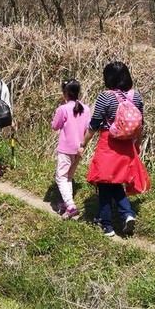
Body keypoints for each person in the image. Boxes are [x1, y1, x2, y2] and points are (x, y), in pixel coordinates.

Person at [82, 61, 150, 237]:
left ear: (108, 77)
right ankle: (126, 214)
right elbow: (140, 124)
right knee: (115, 181)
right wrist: (138, 143)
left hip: (109, 142)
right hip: (127, 143)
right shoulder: (137, 96)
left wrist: (83, 144)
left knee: (105, 183)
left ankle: (107, 225)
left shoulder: (106, 96)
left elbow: (94, 124)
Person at [52, 79, 91, 218]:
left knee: (61, 176)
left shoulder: (63, 109)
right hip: (79, 148)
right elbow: (88, 129)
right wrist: (83, 145)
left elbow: (55, 126)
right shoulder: (86, 109)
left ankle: (70, 205)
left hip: (65, 148)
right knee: (69, 176)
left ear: (65, 93)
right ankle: (66, 201)